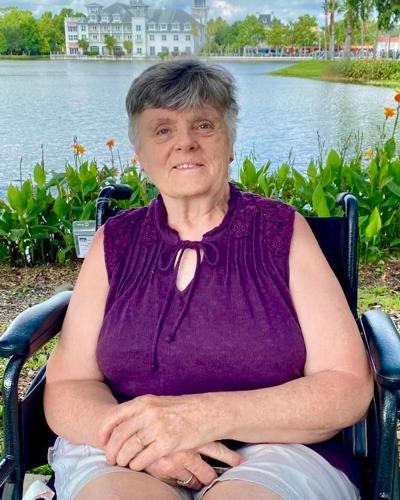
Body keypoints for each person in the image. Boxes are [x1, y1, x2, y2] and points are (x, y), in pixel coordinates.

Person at [44, 59, 373, 500]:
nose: (185, 142)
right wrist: (143, 442)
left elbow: (346, 385)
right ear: (140, 155)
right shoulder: (115, 242)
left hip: (278, 448)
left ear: (230, 142)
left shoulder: (281, 232)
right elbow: (69, 385)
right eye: (162, 130)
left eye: (203, 125)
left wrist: (201, 417)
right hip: (123, 444)